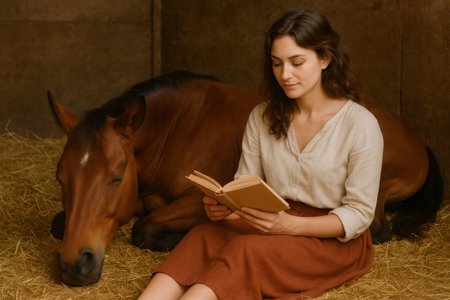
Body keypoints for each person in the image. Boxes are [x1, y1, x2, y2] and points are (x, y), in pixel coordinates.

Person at [138, 8, 383, 300]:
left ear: (325, 59)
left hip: (331, 238)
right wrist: (226, 209)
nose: (285, 74)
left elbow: (359, 215)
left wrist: (291, 225)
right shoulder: (262, 116)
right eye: (277, 64)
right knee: (203, 235)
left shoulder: (360, 125)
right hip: (271, 219)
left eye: (296, 62)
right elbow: (246, 183)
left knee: (246, 250)